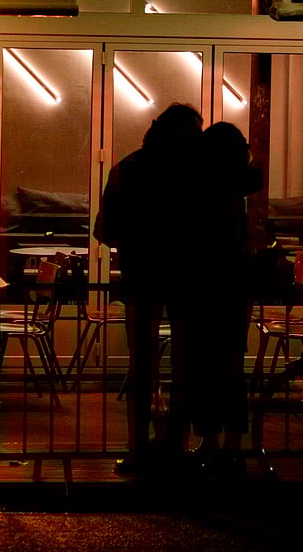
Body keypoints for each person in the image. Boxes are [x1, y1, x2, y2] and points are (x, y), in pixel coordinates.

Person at [94, 103, 205, 473]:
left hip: (141, 275)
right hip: (188, 278)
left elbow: (104, 231)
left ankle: (139, 444)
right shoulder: (197, 174)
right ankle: (178, 443)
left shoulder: (128, 168)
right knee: (186, 364)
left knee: (143, 364)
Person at [190, 121, 264, 465]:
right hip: (235, 288)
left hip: (204, 286)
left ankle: (209, 439)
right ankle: (233, 441)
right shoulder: (238, 191)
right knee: (233, 366)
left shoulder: (202, 190)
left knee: (204, 367)